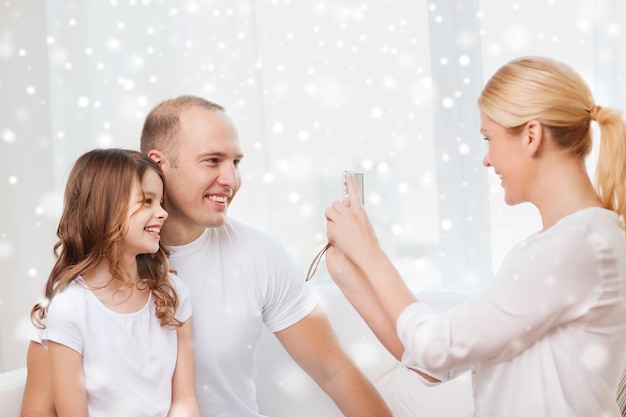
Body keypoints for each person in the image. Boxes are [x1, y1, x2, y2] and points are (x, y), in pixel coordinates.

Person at [21, 97, 393, 417]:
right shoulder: (79, 289)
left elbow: (333, 370)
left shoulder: (260, 255)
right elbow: (40, 408)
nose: (231, 180)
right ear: (159, 163)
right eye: (213, 160)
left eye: (236, 162)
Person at [324, 56, 626, 416]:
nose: (487, 159)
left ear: (531, 135)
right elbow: (432, 364)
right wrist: (349, 273)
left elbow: (436, 347)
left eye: (489, 138)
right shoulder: (559, 245)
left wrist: (369, 251)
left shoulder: (576, 246)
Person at [24, 149, 199, 417]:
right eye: (148, 201)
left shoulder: (172, 293)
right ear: (104, 210)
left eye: (161, 202)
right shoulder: (70, 307)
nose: (163, 213)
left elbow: (184, 402)